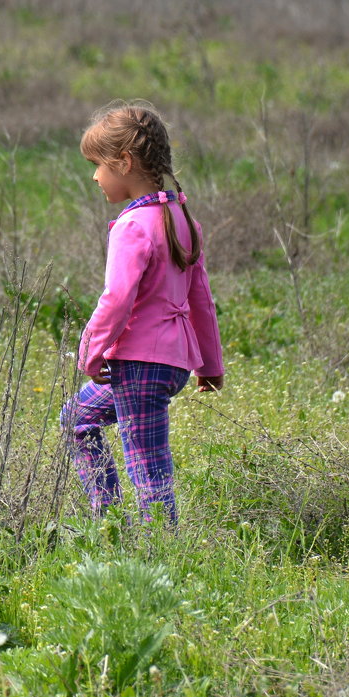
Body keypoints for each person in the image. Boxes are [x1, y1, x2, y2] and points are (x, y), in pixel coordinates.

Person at [60, 101, 224, 527]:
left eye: (98, 165)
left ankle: (159, 551)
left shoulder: (133, 225)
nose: (95, 176)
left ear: (125, 162)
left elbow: (116, 300)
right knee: (76, 420)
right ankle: (109, 520)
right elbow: (201, 299)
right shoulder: (182, 219)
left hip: (138, 364)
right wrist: (209, 364)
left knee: (148, 470)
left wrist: (89, 354)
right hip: (170, 365)